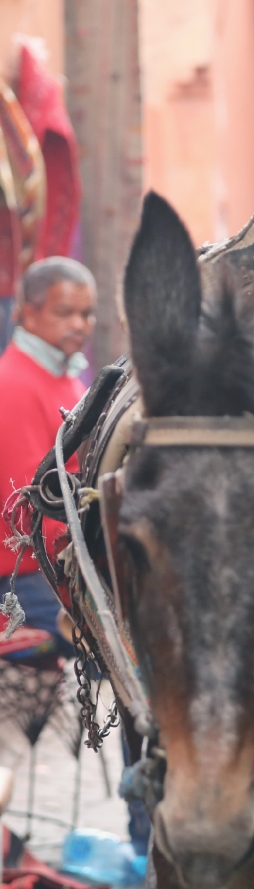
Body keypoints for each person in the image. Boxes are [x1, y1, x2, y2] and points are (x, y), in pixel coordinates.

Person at [0, 257, 94, 654]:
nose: (79, 324)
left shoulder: (69, 380)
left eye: (87, 313)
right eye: (64, 312)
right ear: (26, 313)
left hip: (61, 564)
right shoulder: (11, 385)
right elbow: (24, 506)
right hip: (24, 576)